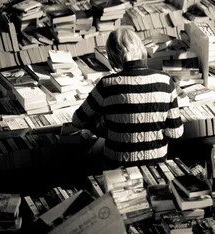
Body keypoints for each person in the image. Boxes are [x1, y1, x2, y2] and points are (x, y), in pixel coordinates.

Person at [72, 28, 184, 168]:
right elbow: (175, 132)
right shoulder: (165, 81)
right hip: (156, 166)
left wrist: (103, 129)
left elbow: (77, 120)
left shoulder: (107, 85)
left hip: (117, 166)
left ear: (112, 56)